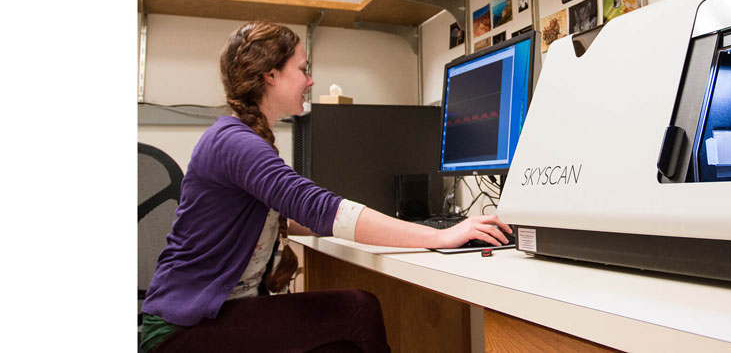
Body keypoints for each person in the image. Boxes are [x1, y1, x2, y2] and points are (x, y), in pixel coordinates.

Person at [140, 21, 512, 352]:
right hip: (179, 332)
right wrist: (439, 236)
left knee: (338, 340)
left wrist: (396, 228)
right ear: (271, 75)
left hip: (211, 316)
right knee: (357, 311)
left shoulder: (240, 138)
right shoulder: (234, 142)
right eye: (302, 69)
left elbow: (290, 217)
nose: (310, 80)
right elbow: (319, 210)